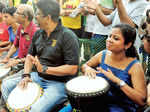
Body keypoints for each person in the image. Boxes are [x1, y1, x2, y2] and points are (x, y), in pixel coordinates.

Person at [1, 0, 79, 112]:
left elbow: (73, 69)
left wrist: (46, 69)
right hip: (37, 76)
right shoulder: (38, 34)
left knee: (36, 109)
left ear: (47, 17)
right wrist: (26, 75)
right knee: (6, 85)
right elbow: (29, 56)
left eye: (37, 14)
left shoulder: (68, 36)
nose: (35, 17)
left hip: (59, 83)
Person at [81, 23, 147, 112]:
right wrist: (87, 69)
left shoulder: (135, 66)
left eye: (115, 38)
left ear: (127, 45)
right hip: (97, 101)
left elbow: (141, 101)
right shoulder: (103, 55)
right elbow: (85, 65)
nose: (109, 40)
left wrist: (117, 80)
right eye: (109, 36)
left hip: (120, 107)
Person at [0, 4, 38, 69]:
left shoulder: (35, 32)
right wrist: (7, 58)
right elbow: (15, 45)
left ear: (25, 17)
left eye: (17, 13)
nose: (15, 14)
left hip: (29, 66)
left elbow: (35, 58)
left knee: (7, 79)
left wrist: (18, 61)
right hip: (20, 61)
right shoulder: (21, 27)